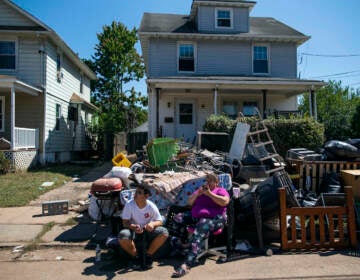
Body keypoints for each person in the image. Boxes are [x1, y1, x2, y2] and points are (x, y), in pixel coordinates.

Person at [172, 173, 230, 278]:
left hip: (216, 219)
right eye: (206, 180)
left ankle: (187, 264)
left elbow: (225, 202)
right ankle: (181, 246)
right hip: (197, 217)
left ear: (216, 183)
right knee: (178, 218)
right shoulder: (200, 191)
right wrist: (198, 193)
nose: (207, 182)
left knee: (201, 226)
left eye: (210, 180)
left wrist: (210, 194)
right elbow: (189, 202)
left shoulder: (220, 190)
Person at [118, 185, 169, 270]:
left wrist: (152, 224)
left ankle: (148, 256)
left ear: (146, 196)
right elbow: (125, 223)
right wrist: (133, 227)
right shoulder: (129, 204)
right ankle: (136, 257)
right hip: (133, 231)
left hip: (148, 230)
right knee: (123, 235)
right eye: (136, 191)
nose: (135, 194)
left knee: (164, 232)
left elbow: (160, 221)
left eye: (139, 192)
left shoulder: (151, 206)